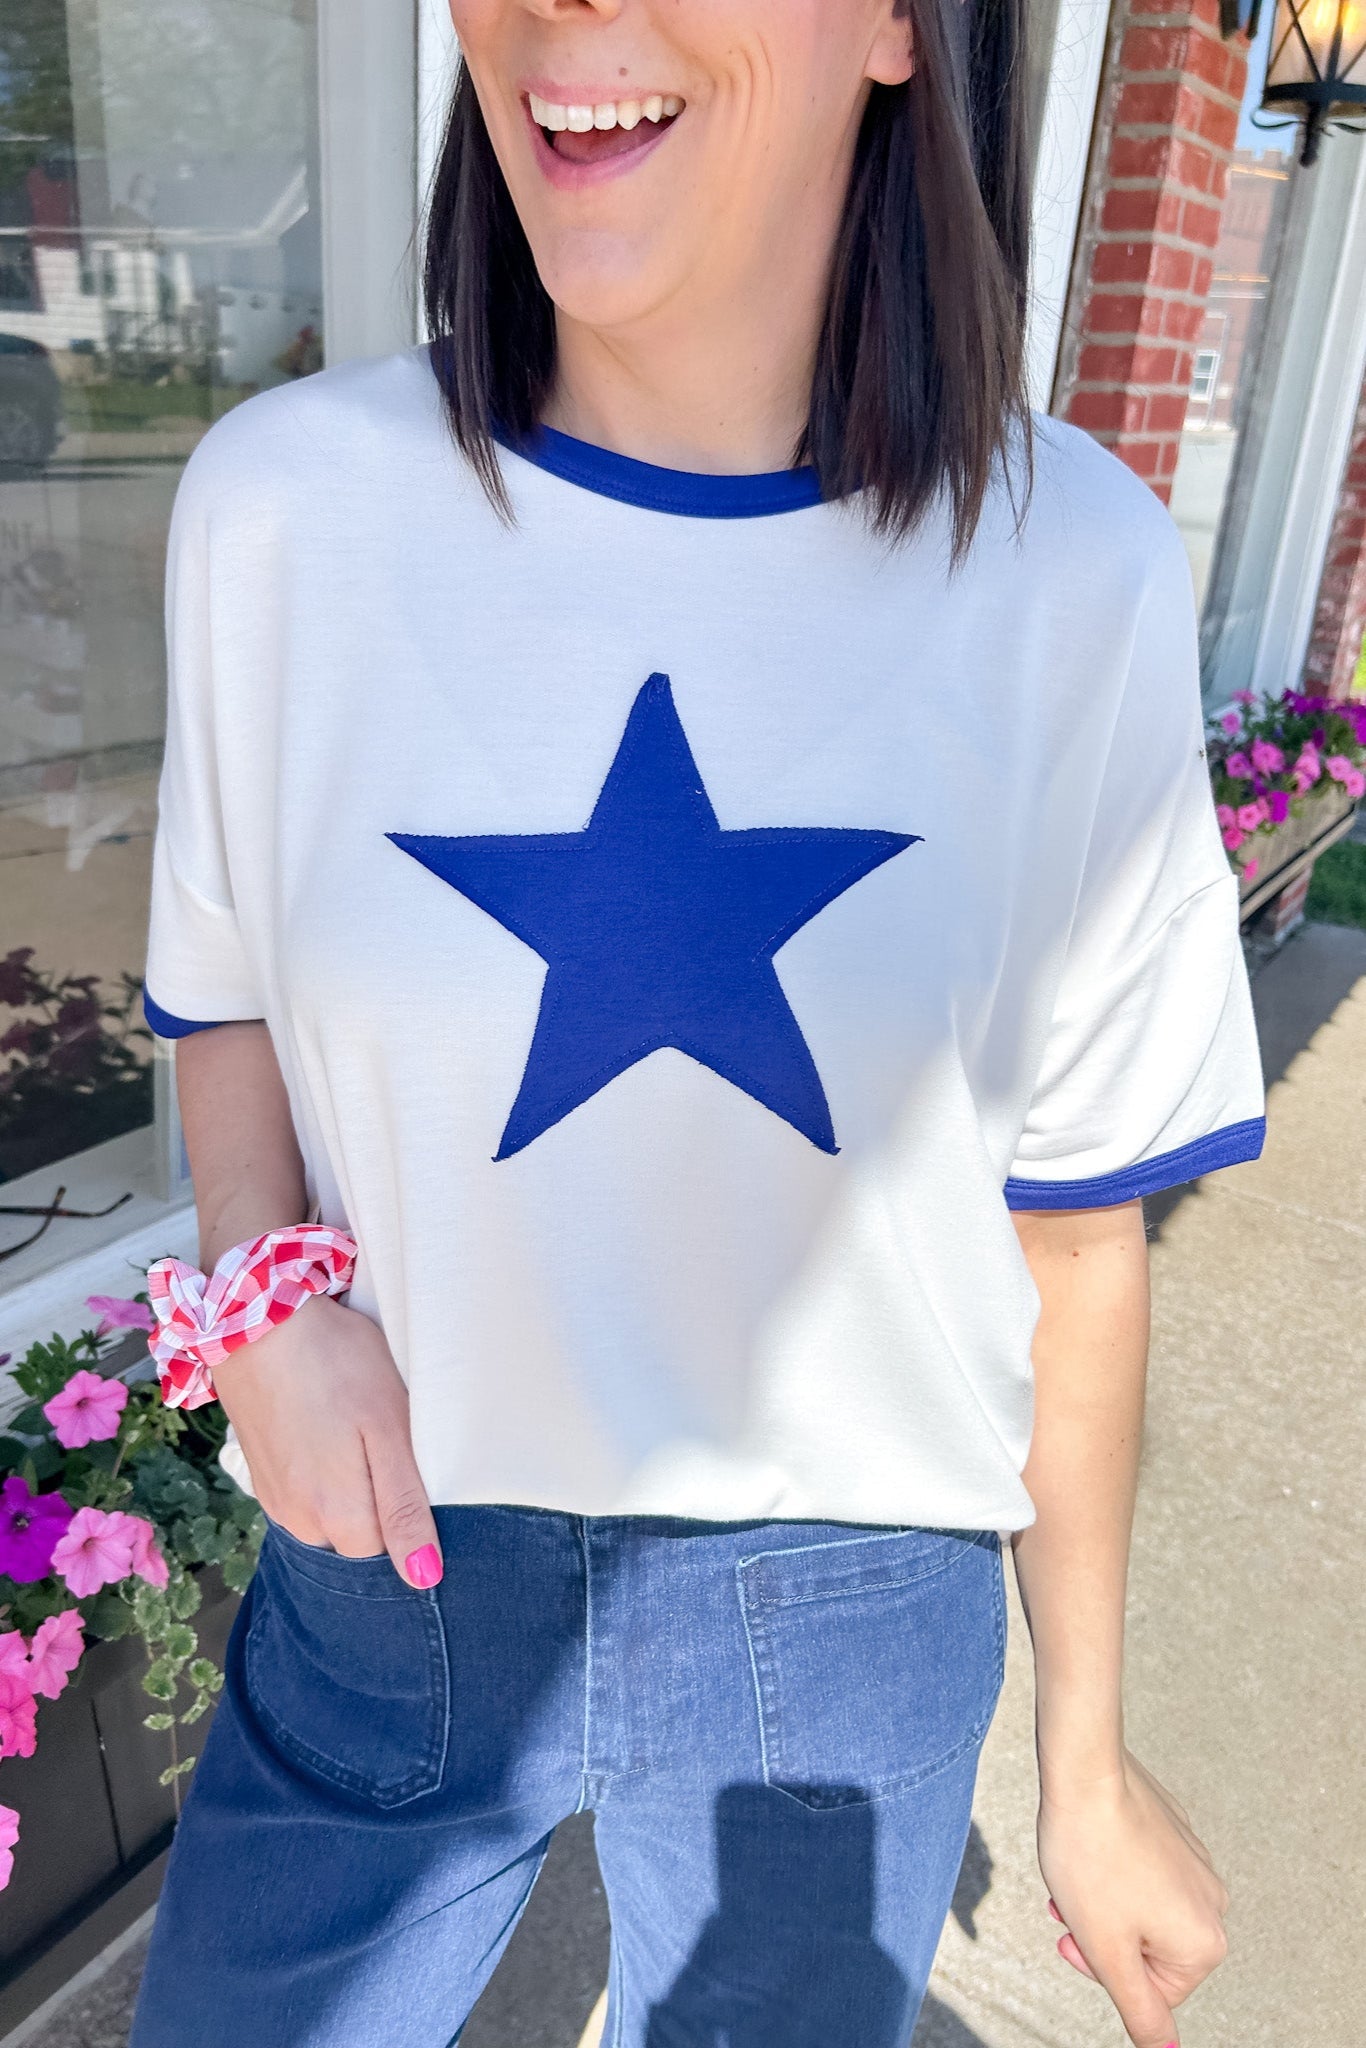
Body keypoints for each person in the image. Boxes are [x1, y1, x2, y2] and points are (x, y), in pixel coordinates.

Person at [128, 1, 1263, 2044]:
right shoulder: (283, 507)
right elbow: (224, 1001)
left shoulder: (1069, 567)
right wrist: (260, 1303)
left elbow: (1078, 1226)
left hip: (846, 1606)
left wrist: (1083, 1767)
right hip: (392, 1566)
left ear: (904, 26)